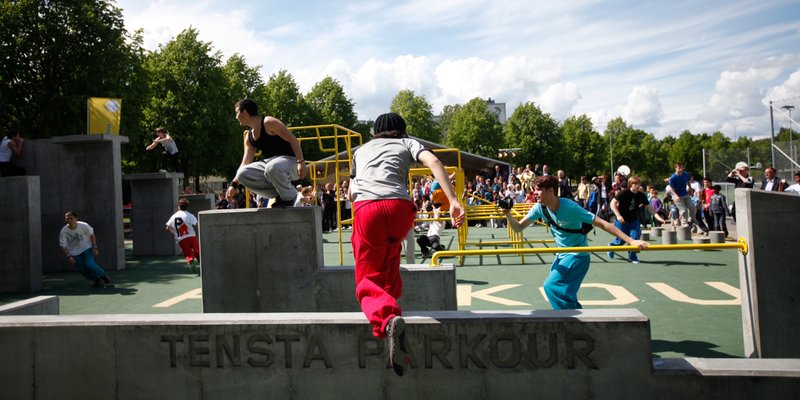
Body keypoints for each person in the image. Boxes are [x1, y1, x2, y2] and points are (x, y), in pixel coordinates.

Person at [348, 112, 464, 377]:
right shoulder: (406, 143)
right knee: (390, 254)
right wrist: (453, 201)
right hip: (401, 209)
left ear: (375, 132)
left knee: (366, 277)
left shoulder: (361, 150)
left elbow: (352, 191)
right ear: (402, 130)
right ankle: (391, 299)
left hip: (369, 208)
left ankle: (388, 319)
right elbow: (434, 160)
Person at [503, 175, 649, 309]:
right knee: (564, 294)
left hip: (578, 255)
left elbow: (603, 224)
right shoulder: (539, 208)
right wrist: (508, 214)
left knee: (551, 286)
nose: (535, 193)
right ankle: (576, 321)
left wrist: (631, 241)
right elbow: (518, 228)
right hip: (562, 255)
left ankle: (569, 321)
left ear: (550, 191)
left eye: (538, 190)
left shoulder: (570, 207)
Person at [233, 98, 307, 208]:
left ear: (244, 113)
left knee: (272, 167)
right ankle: (280, 194)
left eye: (237, 113)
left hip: (291, 162)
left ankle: (291, 197)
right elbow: (245, 163)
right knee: (242, 174)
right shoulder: (249, 137)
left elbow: (293, 140)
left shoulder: (269, 122)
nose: (236, 117)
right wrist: (233, 185)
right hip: (271, 166)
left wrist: (301, 162)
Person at [607, 176, 666, 263]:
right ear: (631, 184)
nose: (638, 186)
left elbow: (649, 208)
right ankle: (611, 246)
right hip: (621, 220)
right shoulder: (624, 193)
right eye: (635, 184)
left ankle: (632, 256)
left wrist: (658, 217)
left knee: (635, 238)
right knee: (621, 240)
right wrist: (618, 215)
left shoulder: (641, 195)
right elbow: (612, 204)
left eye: (639, 184)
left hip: (633, 220)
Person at [59, 211, 112, 287]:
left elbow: (92, 235)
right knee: (82, 270)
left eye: (71, 218)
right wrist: (69, 256)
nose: (69, 220)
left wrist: (94, 247)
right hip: (74, 252)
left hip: (86, 248)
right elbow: (63, 245)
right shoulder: (63, 231)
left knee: (89, 264)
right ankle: (96, 279)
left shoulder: (84, 225)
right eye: (67, 219)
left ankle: (103, 276)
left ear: (76, 218)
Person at [666, 162, 708, 234]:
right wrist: (676, 196)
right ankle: (684, 223)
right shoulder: (673, 177)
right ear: (675, 168)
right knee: (684, 210)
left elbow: (688, 181)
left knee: (693, 207)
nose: (681, 169)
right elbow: (671, 189)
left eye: (682, 167)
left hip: (685, 194)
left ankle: (692, 219)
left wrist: (691, 190)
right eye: (679, 168)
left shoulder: (685, 174)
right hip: (677, 196)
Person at [165, 199, 200, 272]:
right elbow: (197, 225)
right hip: (191, 236)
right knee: (198, 251)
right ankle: (203, 264)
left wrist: (175, 233)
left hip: (181, 239)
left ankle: (191, 260)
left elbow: (168, 227)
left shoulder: (173, 216)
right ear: (187, 206)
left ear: (178, 206)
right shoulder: (190, 215)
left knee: (188, 253)